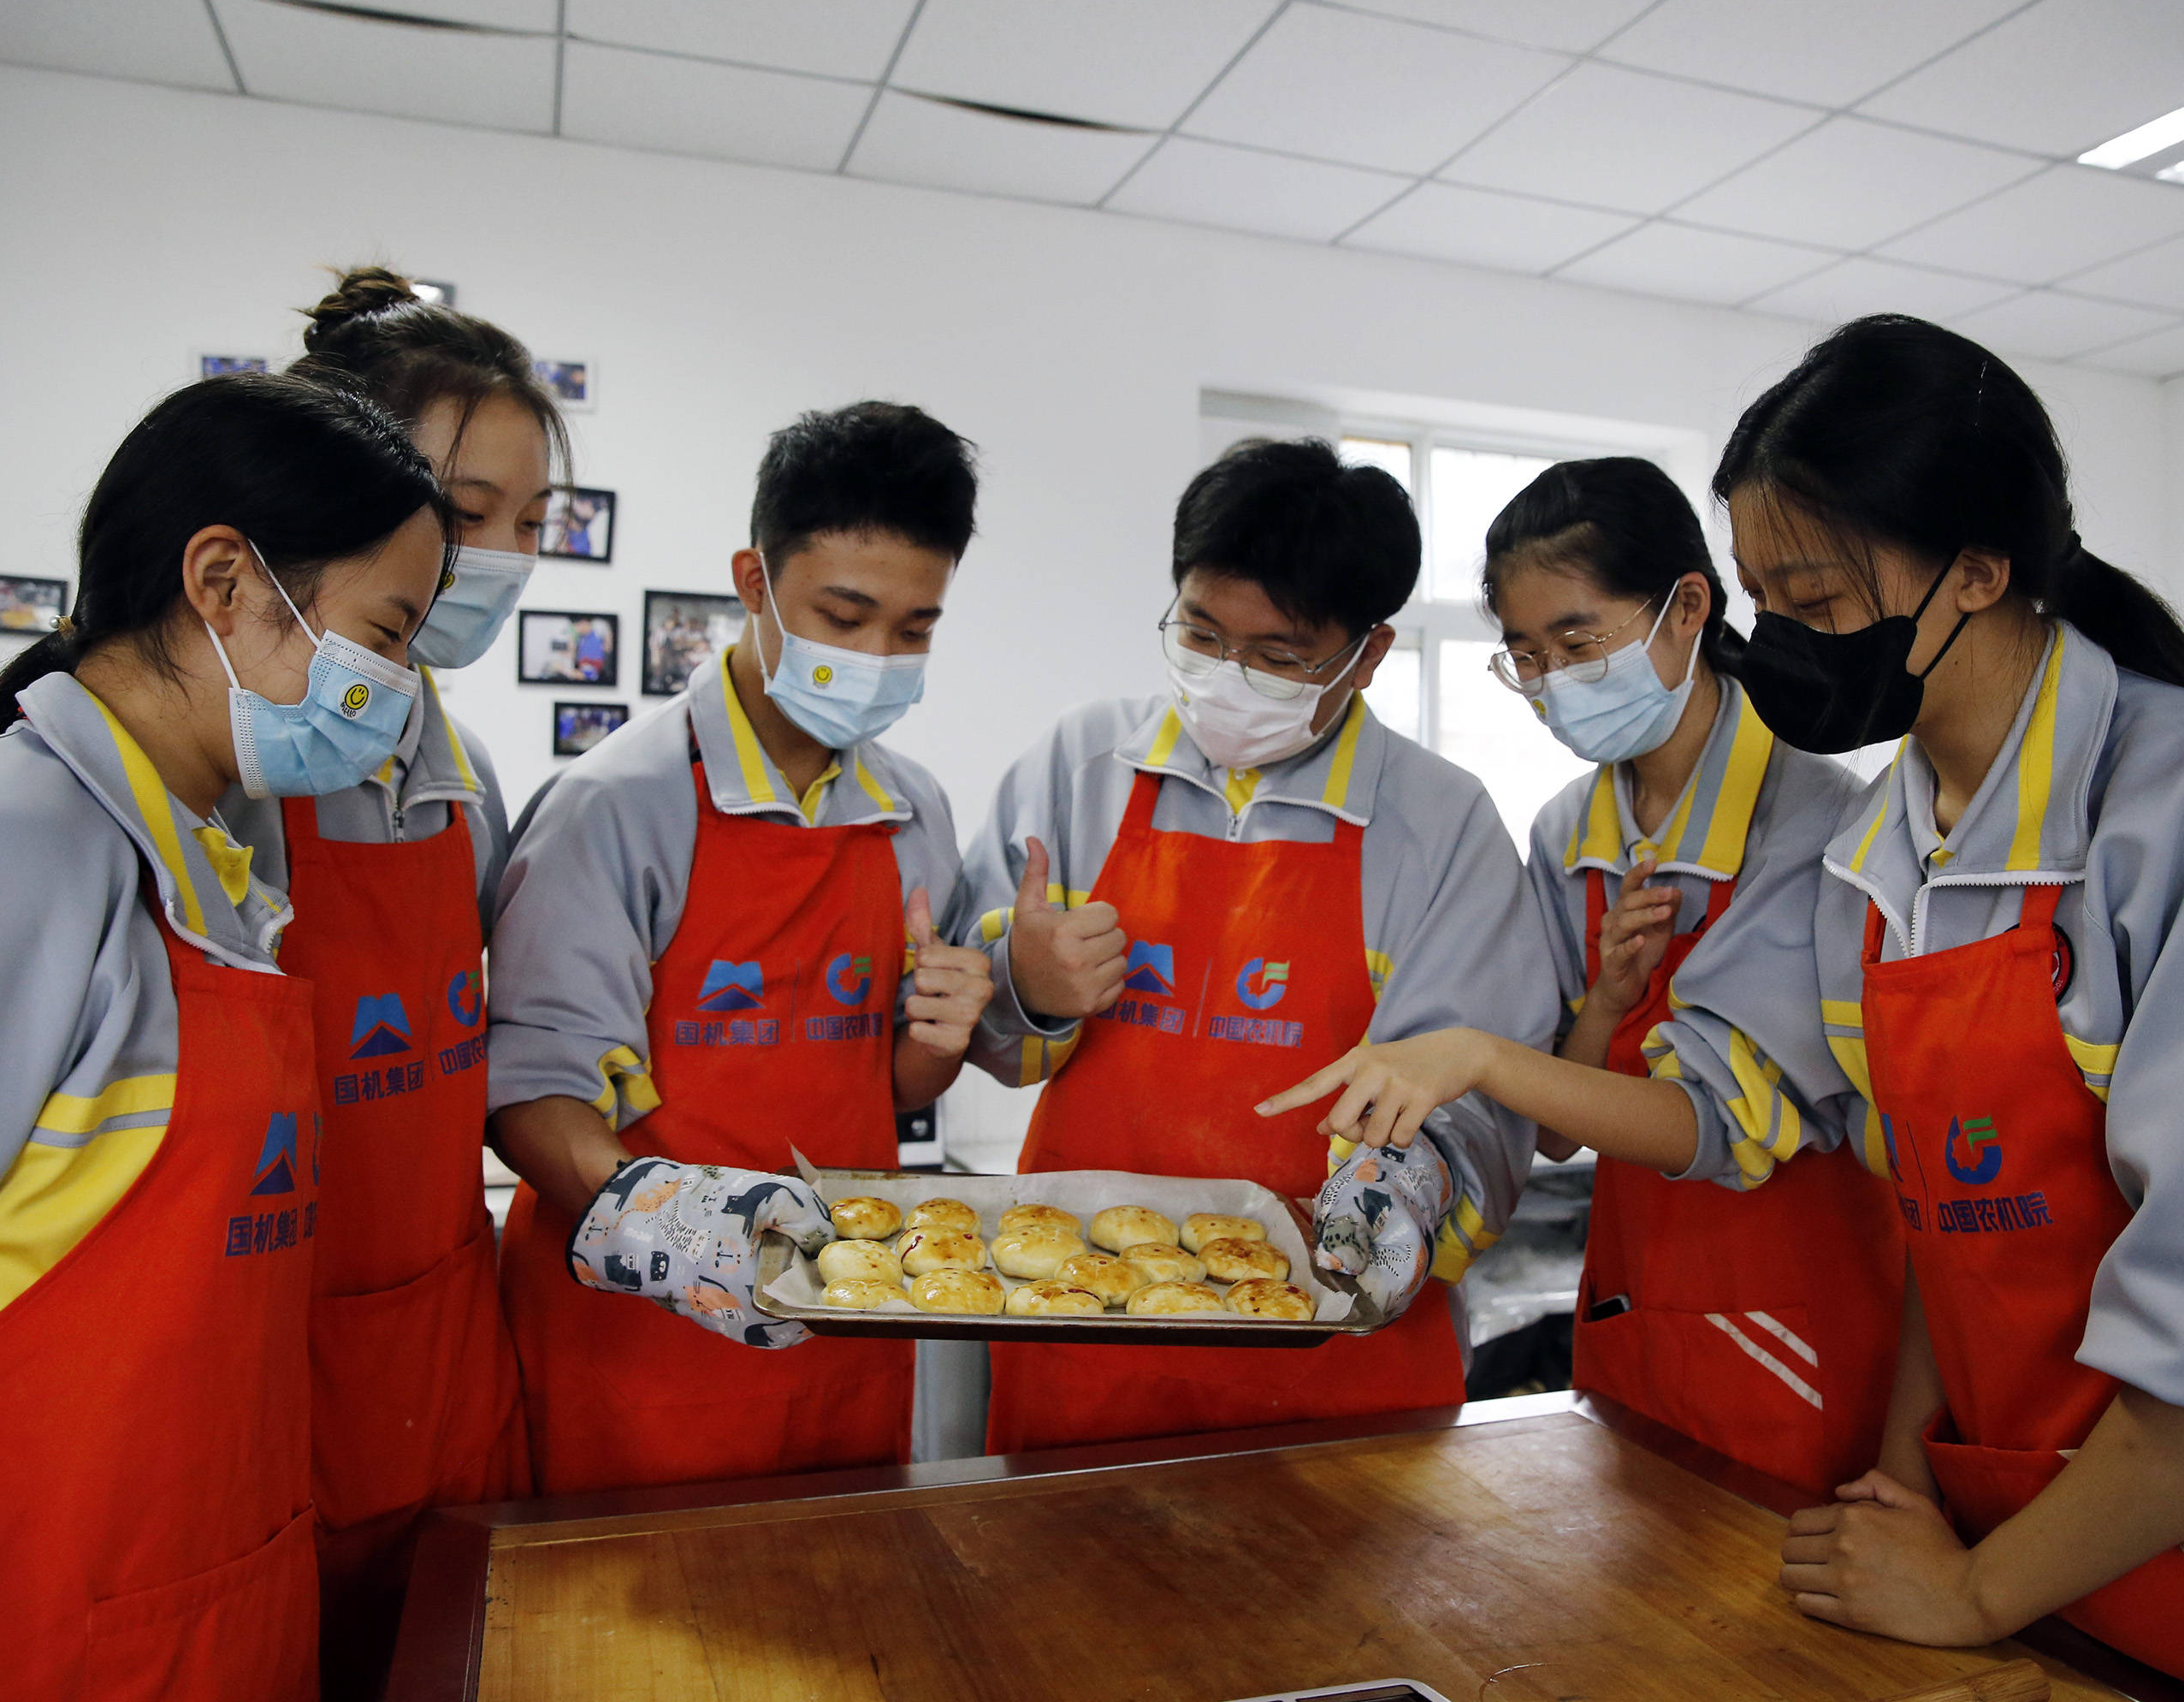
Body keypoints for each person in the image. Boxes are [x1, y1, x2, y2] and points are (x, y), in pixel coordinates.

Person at [1267, 317, 2184, 1702]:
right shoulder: (1894, 848)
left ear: (1981, 570)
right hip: (2013, 1533)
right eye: (1768, 605)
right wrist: (1899, 1485)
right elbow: (1952, 1222)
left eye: (1813, 604)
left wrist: (1981, 1583)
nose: (1785, 651)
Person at [0, 374, 448, 1699]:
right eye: (387, 634)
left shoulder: (213, 869)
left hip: (199, 1611)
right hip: (6, 1631)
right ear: (225, 580)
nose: (400, 689)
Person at [959, 437, 1558, 1454]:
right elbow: (978, 1033)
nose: (1229, 676)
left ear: (1368, 654)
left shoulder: (1439, 824)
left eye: (1278, 657)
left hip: (1332, 1358)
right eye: (1200, 631)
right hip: (1087, 1335)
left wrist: (1376, 1230)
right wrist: (1029, 985)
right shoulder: (1080, 765)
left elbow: (1485, 1109)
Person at [488, 402, 994, 1494]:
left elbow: (878, 1084)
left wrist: (942, 1040)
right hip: (640, 1340)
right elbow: (531, 1097)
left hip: (844, 1326)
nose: (876, 656)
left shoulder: (913, 810)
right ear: (754, 581)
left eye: (914, 629)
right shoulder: (617, 807)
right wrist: (698, 1233)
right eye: (844, 614)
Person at [212, 268, 562, 1698]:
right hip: (257, 1370)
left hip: (438, 1352)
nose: (494, 557)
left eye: (531, 524)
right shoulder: (229, 775)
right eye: (461, 512)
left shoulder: (461, 769)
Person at [1496, 457, 1900, 1497]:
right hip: (1633, 1301)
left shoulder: (1818, 821)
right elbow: (1556, 1126)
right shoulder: (1568, 835)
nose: (1555, 681)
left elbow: (1720, 1123)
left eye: (1580, 642)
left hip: (1796, 1312)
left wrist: (1477, 1059)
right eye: (1527, 656)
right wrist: (1605, 1005)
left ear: (1688, 607)